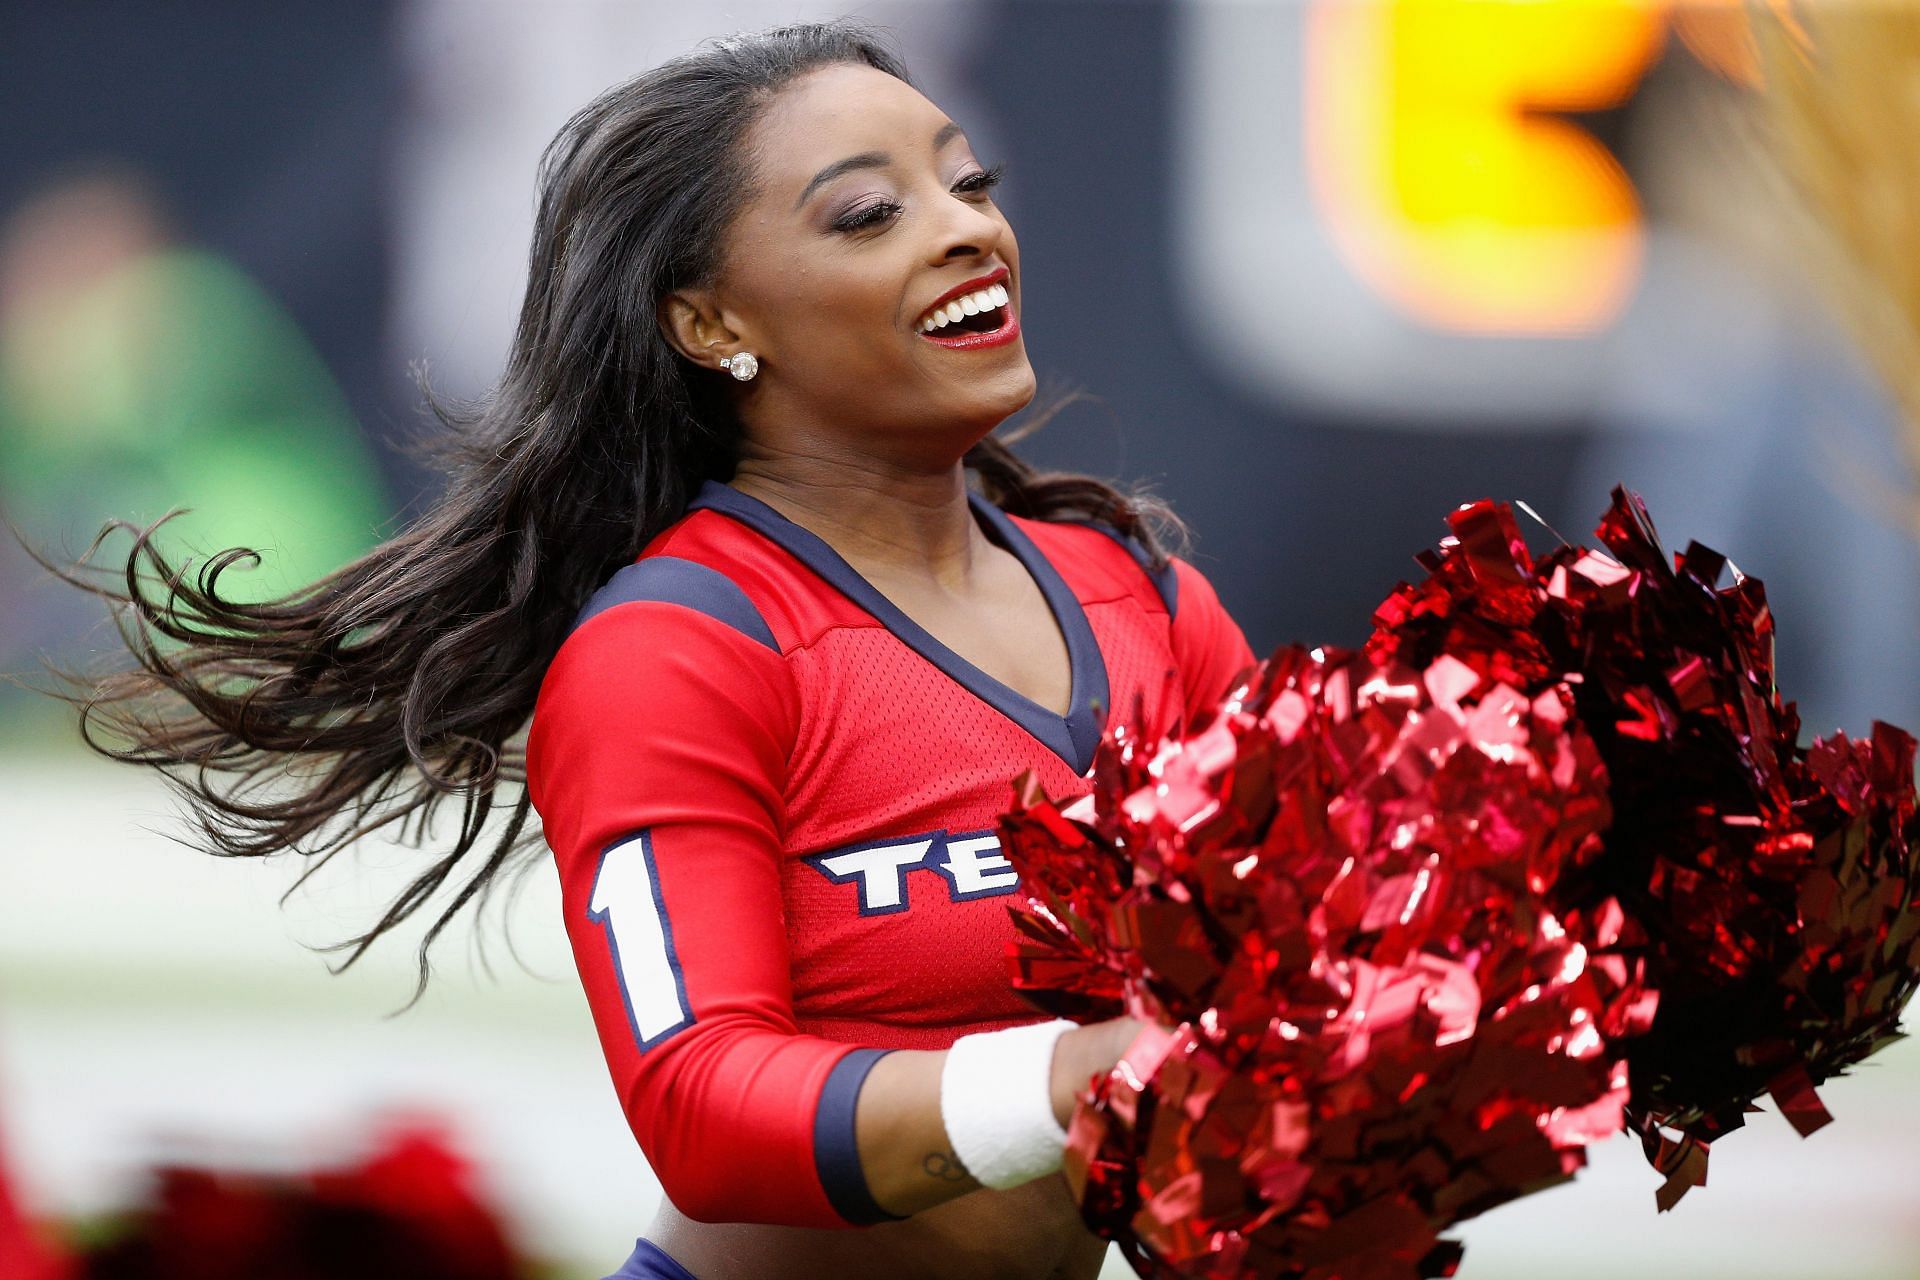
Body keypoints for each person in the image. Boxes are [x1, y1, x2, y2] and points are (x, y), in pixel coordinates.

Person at [57, 21, 1253, 1280]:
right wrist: (1063, 1076)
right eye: (866, 214)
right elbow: (704, 1103)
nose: (965, 228)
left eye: (969, 184)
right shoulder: (677, 647)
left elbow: (1322, 976)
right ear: (709, 319)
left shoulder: (1146, 600)